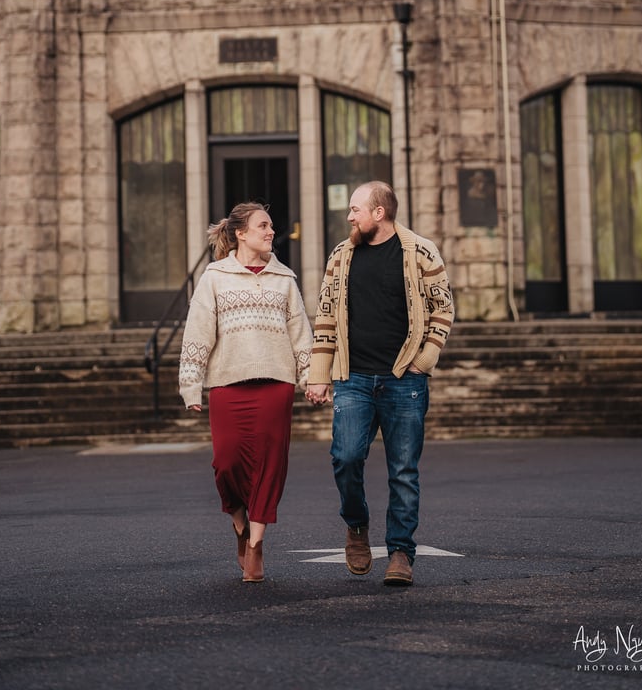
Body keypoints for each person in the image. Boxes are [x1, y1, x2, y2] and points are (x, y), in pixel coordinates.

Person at [306, 181, 454, 587]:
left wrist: (425, 359)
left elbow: (443, 307)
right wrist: (319, 375)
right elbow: (324, 315)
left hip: (404, 380)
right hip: (353, 378)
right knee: (346, 457)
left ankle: (401, 552)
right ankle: (356, 526)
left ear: (379, 213)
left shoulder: (420, 252)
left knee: (403, 471)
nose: (350, 216)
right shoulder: (341, 256)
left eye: (356, 209)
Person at [179, 202, 313, 583]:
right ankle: (239, 523)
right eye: (264, 226)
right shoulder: (215, 277)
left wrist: (310, 378)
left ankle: (255, 544)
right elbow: (198, 332)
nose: (272, 232)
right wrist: (191, 383)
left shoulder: (284, 278)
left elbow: (300, 332)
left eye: (271, 226)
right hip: (227, 384)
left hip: (275, 382)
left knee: (270, 464)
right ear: (241, 233)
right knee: (227, 463)